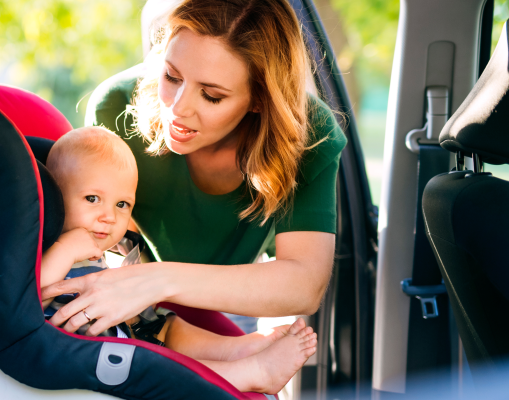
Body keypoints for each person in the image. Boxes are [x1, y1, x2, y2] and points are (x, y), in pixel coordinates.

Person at [42, 0, 346, 387]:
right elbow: (90, 228)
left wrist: (155, 281)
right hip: (131, 286)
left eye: (212, 96)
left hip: (233, 295)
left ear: (258, 99)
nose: (178, 108)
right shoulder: (117, 106)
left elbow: (304, 284)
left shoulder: (307, 134)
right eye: (171, 76)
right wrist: (137, 285)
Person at [41, 126, 318, 394]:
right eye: (92, 198)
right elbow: (27, 298)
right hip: (96, 356)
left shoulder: (106, 247)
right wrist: (65, 249)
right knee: (156, 364)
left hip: (125, 334)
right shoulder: (45, 246)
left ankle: (238, 349)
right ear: (55, 197)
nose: (109, 217)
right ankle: (253, 372)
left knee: (166, 324)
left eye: (122, 204)